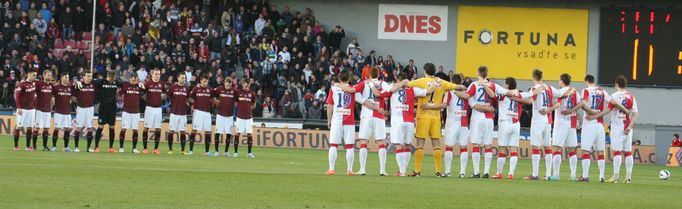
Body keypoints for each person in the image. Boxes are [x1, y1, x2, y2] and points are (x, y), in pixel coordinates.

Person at [401, 63, 466, 177]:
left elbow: (406, 85)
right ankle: (437, 171)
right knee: (436, 144)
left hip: (423, 115)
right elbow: (459, 87)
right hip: (436, 116)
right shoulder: (442, 82)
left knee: (420, 144)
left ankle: (417, 171)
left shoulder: (421, 81)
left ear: (425, 70)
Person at [462, 66, 517, 178]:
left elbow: (466, 96)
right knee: (488, 145)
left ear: (478, 73)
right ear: (487, 74)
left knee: (476, 144)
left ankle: (476, 172)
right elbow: (507, 92)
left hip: (477, 118)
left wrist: (454, 91)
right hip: (489, 118)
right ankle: (486, 172)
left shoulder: (474, 85)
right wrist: (515, 91)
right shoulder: (493, 85)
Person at [335, 67, 389, 176]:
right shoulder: (383, 83)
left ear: (368, 74)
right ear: (378, 74)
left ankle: (362, 169)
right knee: (381, 143)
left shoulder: (363, 83)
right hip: (379, 115)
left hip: (366, 115)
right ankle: (382, 170)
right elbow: (388, 92)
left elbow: (352, 91)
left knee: (364, 142)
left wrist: (338, 85)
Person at [521, 69, 571, 180]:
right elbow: (562, 94)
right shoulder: (549, 87)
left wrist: (515, 97)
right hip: (547, 121)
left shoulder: (535, 89)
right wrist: (570, 91)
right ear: (542, 77)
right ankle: (548, 174)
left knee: (535, 147)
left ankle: (535, 174)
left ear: (533, 77)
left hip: (537, 120)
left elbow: (529, 100)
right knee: (547, 147)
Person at [589, 75, 639, 184]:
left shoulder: (614, 96)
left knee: (617, 152)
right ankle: (628, 177)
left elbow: (607, 110)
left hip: (617, 127)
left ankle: (616, 177)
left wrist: (595, 116)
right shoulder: (631, 97)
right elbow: (635, 115)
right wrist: (630, 127)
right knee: (628, 152)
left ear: (616, 84)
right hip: (627, 127)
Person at [576, 74, 622, 182]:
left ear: (586, 81)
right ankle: (601, 176)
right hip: (600, 125)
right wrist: (623, 110)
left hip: (589, 123)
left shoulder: (586, 90)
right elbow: (613, 103)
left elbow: (584, 104)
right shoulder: (602, 91)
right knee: (600, 151)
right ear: (594, 81)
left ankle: (585, 176)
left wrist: (592, 113)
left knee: (585, 150)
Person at [388, 73, 434, 176]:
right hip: (409, 121)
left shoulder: (393, 87)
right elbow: (429, 91)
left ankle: (402, 171)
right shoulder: (413, 89)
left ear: (397, 79)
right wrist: (435, 82)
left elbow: (391, 90)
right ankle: (402, 170)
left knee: (399, 146)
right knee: (407, 145)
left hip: (397, 121)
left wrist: (401, 83)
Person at [426, 75, 471, 178]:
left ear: (451, 82)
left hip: (453, 122)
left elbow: (444, 105)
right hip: (463, 121)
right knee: (463, 147)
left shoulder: (450, 92)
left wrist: (429, 106)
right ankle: (462, 172)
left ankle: (447, 172)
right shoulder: (465, 92)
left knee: (449, 147)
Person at [492, 77, 534, 179]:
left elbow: (492, 95)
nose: (503, 85)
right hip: (515, 123)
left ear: (507, 85)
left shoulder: (503, 95)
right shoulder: (519, 94)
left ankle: (499, 173)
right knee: (513, 149)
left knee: (502, 149)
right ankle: (511, 174)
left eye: (504, 83)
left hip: (505, 123)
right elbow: (529, 100)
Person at [545, 74, 579, 181]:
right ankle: (573, 175)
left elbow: (558, 104)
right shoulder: (575, 92)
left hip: (561, 123)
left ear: (561, 82)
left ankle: (556, 174)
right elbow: (577, 106)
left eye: (559, 81)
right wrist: (576, 119)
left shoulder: (560, 92)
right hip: (571, 123)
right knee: (572, 150)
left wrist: (549, 109)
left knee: (557, 148)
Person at [325, 71, 357, 176]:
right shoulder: (353, 89)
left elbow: (329, 106)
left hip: (337, 119)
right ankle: (350, 170)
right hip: (349, 120)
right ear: (348, 79)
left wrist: (329, 120)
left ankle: (331, 169)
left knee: (333, 145)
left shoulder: (333, 89)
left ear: (339, 79)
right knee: (350, 146)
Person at [141, 68, 167, 155]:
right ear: (152, 75)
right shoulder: (147, 83)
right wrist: (148, 100)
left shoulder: (161, 84)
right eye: (155, 74)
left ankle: (156, 148)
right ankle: (145, 148)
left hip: (158, 109)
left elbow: (165, 93)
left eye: (158, 74)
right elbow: (142, 94)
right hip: (149, 108)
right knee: (146, 128)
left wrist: (162, 98)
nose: (157, 76)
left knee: (158, 128)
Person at [188, 75, 214, 156]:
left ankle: (207, 151)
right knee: (194, 130)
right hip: (198, 112)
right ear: (201, 81)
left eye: (206, 81)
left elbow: (213, 99)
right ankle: (191, 150)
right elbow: (190, 98)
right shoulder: (196, 89)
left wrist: (213, 103)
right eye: (204, 81)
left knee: (208, 131)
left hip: (207, 113)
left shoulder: (210, 90)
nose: (205, 83)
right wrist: (196, 103)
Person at [95, 71, 120, 153]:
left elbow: (125, 84)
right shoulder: (101, 82)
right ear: (107, 76)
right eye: (111, 77)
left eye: (113, 77)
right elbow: (92, 82)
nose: (112, 79)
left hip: (112, 107)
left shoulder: (116, 82)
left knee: (112, 127)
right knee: (101, 126)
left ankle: (111, 147)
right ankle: (96, 147)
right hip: (103, 107)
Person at [73, 72, 97, 153]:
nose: (90, 78)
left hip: (90, 108)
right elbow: (73, 95)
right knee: (78, 127)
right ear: (83, 77)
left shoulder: (93, 84)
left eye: (91, 76)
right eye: (88, 76)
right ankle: (76, 147)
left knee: (90, 127)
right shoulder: (79, 84)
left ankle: (88, 147)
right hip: (81, 108)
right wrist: (79, 102)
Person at [13, 70, 37, 151]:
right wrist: (19, 107)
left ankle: (28, 146)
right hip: (23, 109)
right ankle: (16, 146)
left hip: (32, 109)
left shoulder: (34, 83)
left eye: (35, 75)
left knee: (30, 127)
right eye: (34, 75)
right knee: (19, 126)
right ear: (29, 74)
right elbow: (17, 96)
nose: (35, 76)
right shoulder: (22, 84)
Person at [213, 77, 236, 157]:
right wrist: (215, 100)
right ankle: (216, 151)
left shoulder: (234, 91)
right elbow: (211, 93)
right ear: (224, 83)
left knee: (229, 134)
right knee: (217, 133)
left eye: (230, 85)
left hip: (229, 116)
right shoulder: (219, 89)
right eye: (227, 84)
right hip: (220, 115)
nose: (228, 86)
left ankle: (226, 151)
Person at [167, 73, 190, 155]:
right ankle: (170, 149)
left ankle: (183, 150)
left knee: (183, 132)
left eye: (184, 78)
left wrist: (188, 103)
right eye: (182, 77)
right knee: (171, 131)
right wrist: (169, 106)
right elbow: (168, 96)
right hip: (174, 113)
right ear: (178, 78)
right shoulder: (173, 87)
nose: (183, 79)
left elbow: (188, 99)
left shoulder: (186, 89)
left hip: (183, 114)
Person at [120, 74, 142, 154]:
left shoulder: (139, 87)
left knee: (135, 130)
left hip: (136, 111)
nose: (134, 82)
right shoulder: (125, 86)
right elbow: (119, 94)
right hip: (126, 111)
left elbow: (144, 94)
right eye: (133, 80)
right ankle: (121, 147)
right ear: (130, 79)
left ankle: (134, 148)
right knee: (123, 129)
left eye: (136, 80)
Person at [234, 79, 257, 158]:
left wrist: (249, 110)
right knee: (237, 133)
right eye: (245, 83)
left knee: (249, 134)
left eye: (248, 84)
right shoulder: (238, 92)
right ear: (243, 84)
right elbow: (236, 102)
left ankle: (249, 153)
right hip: (240, 117)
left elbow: (254, 104)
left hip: (249, 118)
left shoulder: (252, 93)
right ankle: (235, 152)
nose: (246, 85)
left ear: (249, 85)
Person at [52, 72, 73, 152]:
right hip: (58, 112)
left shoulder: (70, 87)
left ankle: (66, 147)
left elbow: (73, 96)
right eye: (66, 77)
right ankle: (54, 146)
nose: (68, 79)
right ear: (62, 78)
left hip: (67, 112)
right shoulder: (56, 87)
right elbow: (51, 95)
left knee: (67, 129)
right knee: (57, 128)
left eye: (68, 77)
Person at [34, 70, 54, 151]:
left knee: (46, 128)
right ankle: (34, 146)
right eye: (48, 75)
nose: (49, 77)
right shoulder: (38, 84)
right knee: (37, 128)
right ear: (43, 75)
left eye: (50, 75)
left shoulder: (51, 86)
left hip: (48, 110)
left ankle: (44, 146)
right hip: (39, 109)